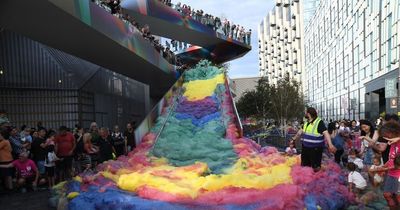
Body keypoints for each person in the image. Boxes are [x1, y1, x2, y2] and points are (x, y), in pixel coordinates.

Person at [375, 122, 400, 210]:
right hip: (391, 174)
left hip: (398, 176)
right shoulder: (393, 143)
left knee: (397, 196)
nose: (385, 138)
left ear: (394, 132)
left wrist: (384, 168)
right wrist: (383, 167)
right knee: (387, 195)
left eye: (386, 135)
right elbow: (391, 159)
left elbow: (398, 165)